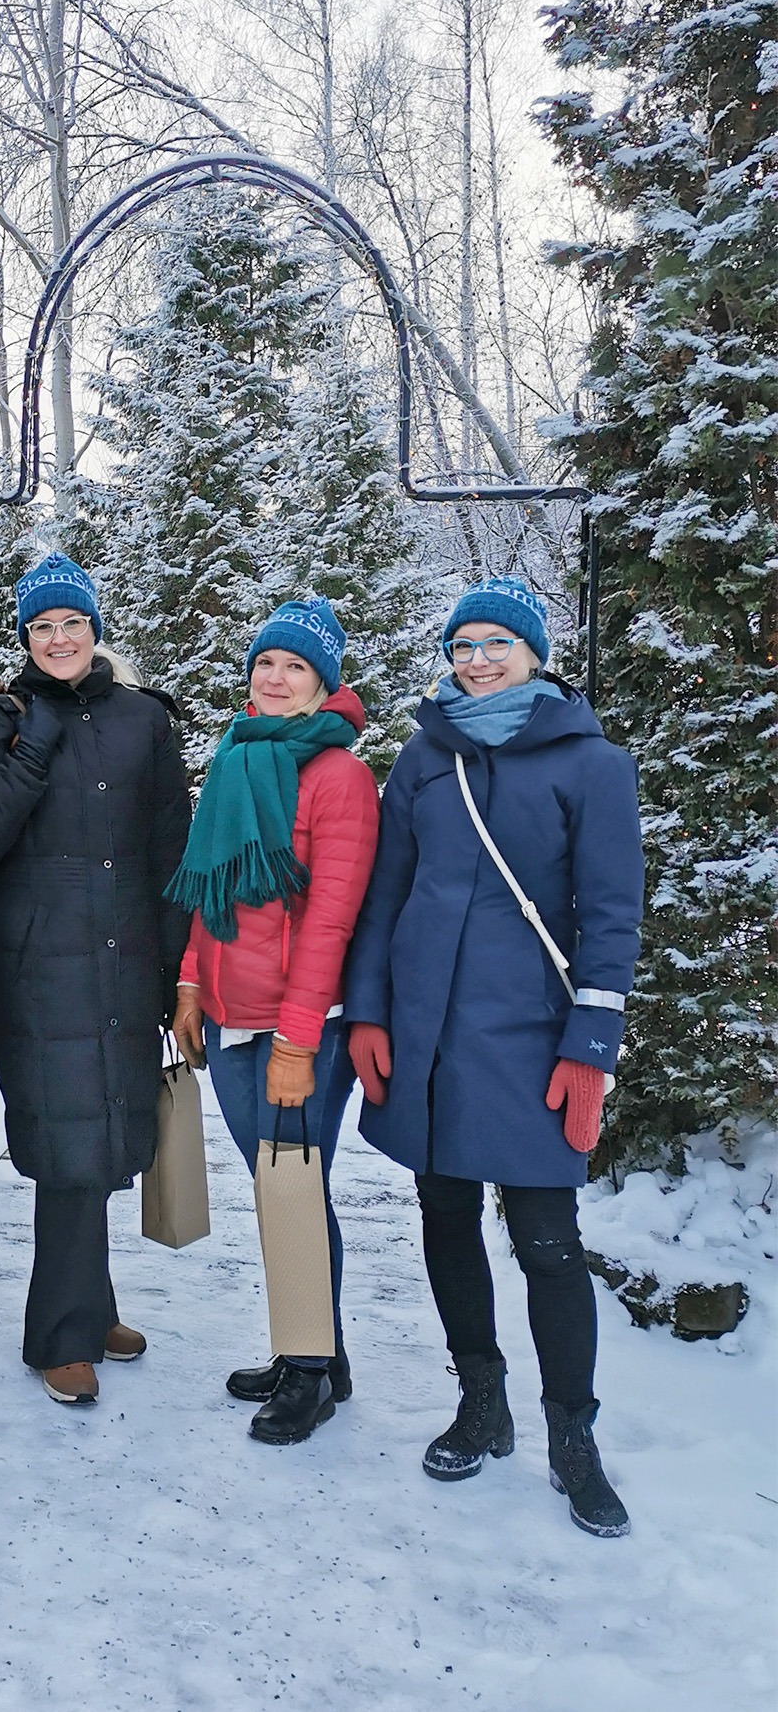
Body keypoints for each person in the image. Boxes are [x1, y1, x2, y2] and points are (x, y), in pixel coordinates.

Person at [342, 575, 644, 1537]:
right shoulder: (425, 758)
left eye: (495, 644)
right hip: (426, 1034)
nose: (475, 659)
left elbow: (610, 914)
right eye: (462, 645)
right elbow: (385, 895)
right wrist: (371, 1015)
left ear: (534, 653)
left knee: (549, 1244)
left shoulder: (592, 765)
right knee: (445, 1217)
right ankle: (483, 1402)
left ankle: (573, 1436)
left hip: (532, 1042)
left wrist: (590, 1044)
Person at [0, 553, 192, 1407]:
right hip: (42, 961)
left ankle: (90, 1311)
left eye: (73, 624)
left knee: (112, 1133)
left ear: (96, 630)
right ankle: (57, 1333)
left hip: (125, 958)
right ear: (25, 637)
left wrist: (175, 971)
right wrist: (34, 743)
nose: (59, 639)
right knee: (66, 1144)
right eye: (42, 627)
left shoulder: (143, 720)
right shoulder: (2, 719)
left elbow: (172, 849)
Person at [169, 599, 379, 1445]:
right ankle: (314, 1346)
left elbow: (330, 919)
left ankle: (310, 1372)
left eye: (295, 667)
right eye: (266, 663)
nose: (276, 677)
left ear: (324, 684)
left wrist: (297, 1038)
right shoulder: (234, 756)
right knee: (275, 1184)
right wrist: (190, 987)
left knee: (294, 1187)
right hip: (228, 1018)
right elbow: (207, 888)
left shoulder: (340, 779)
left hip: (299, 1027)